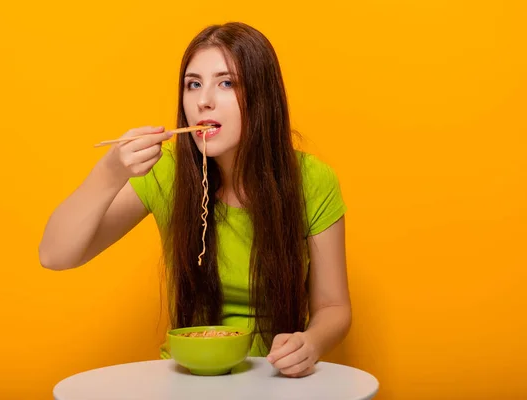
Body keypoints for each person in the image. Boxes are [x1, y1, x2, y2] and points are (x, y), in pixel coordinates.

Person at [38, 22, 351, 378]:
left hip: (275, 378)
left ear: (263, 95)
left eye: (227, 82)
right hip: (187, 379)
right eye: (193, 84)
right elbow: (54, 255)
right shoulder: (167, 171)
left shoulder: (311, 180)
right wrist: (109, 173)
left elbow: (333, 305)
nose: (203, 101)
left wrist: (310, 344)